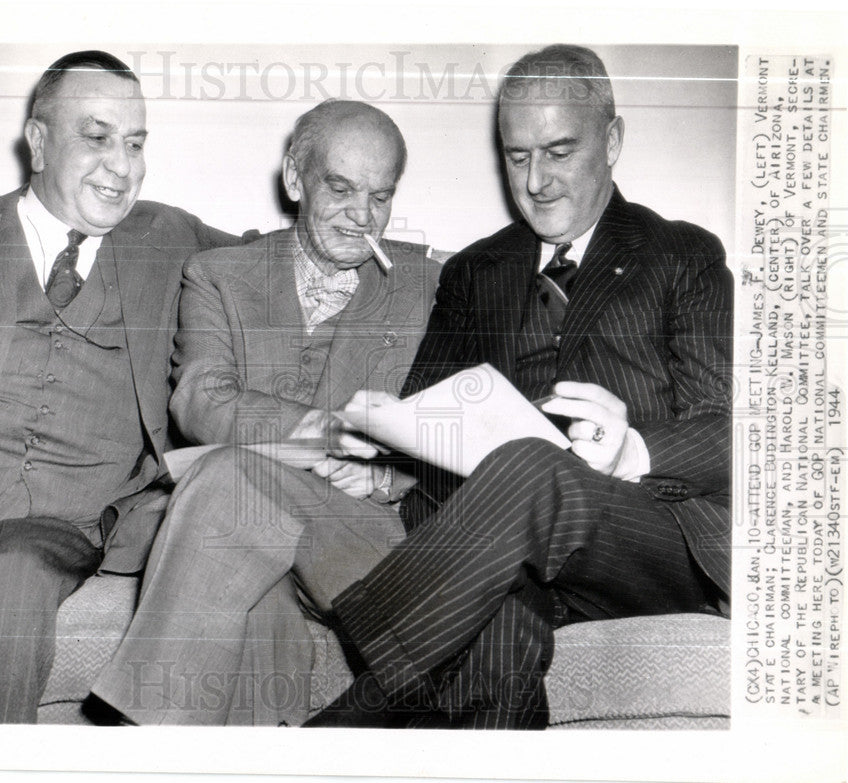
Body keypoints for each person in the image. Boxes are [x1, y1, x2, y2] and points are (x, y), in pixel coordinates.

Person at [305, 44, 733, 729]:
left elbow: (734, 434)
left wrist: (634, 450)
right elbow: (427, 428)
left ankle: (345, 718)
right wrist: (391, 433)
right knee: (499, 632)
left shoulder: (683, 254)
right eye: (517, 155)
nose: (536, 181)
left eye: (559, 151)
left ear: (612, 139)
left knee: (535, 464)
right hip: (506, 555)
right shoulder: (476, 271)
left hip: (646, 542)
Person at [0, 50, 243, 723]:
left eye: (135, 143)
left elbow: (278, 261)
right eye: (96, 137)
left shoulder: (169, 238)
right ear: (38, 142)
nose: (122, 166)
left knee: (12, 570)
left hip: (55, 531)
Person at [89, 100, 441, 726]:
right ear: (295, 178)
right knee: (245, 561)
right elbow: (204, 401)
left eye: (381, 197)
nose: (364, 217)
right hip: (244, 525)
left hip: (361, 538)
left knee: (224, 484)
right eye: (341, 189)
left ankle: (137, 743)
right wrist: (333, 432)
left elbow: (466, 436)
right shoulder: (220, 276)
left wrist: (393, 476)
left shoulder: (431, 286)